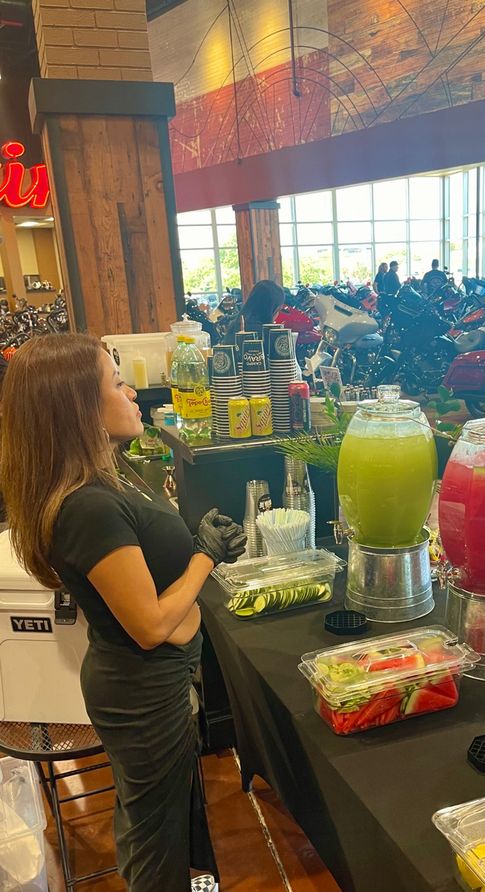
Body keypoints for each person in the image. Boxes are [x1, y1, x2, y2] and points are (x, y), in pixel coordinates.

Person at [0, 335, 247, 891]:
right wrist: (206, 556)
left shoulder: (107, 477)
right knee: (155, 839)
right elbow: (150, 624)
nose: (132, 390)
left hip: (158, 682)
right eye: (116, 382)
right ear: (78, 407)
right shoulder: (87, 506)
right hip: (142, 692)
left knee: (164, 820)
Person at [224, 279, 284, 343]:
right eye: (278, 310)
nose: (278, 314)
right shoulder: (265, 335)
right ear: (270, 309)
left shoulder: (234, 326)